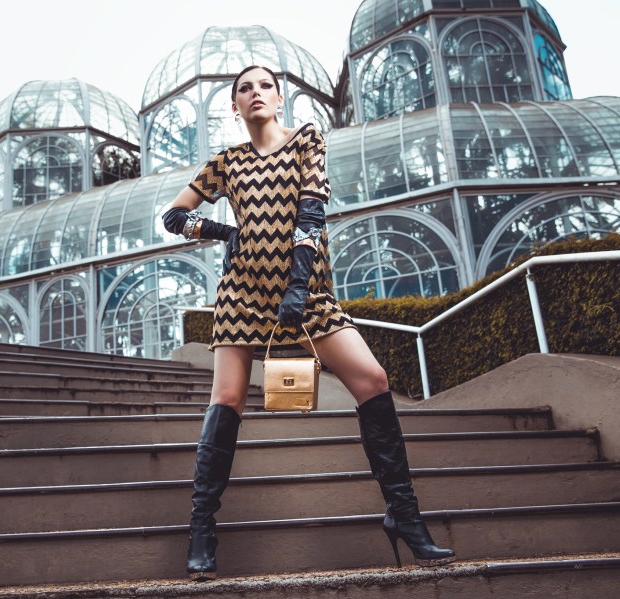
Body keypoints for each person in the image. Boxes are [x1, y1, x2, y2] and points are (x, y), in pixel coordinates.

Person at [162, 65, 456, 582]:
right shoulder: (226, 162)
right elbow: (173, 217)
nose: (255, 93)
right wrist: (224, 232)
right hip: (242, 294)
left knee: (373, 380)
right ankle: (202, 531)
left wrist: (298, 287)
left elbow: (312, 214)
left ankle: (404, 516)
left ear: (280, 99)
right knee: (226, 399)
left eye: (265, 86)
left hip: (307, 290)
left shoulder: (306, 140)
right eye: (244, 89)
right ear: (234, 106)